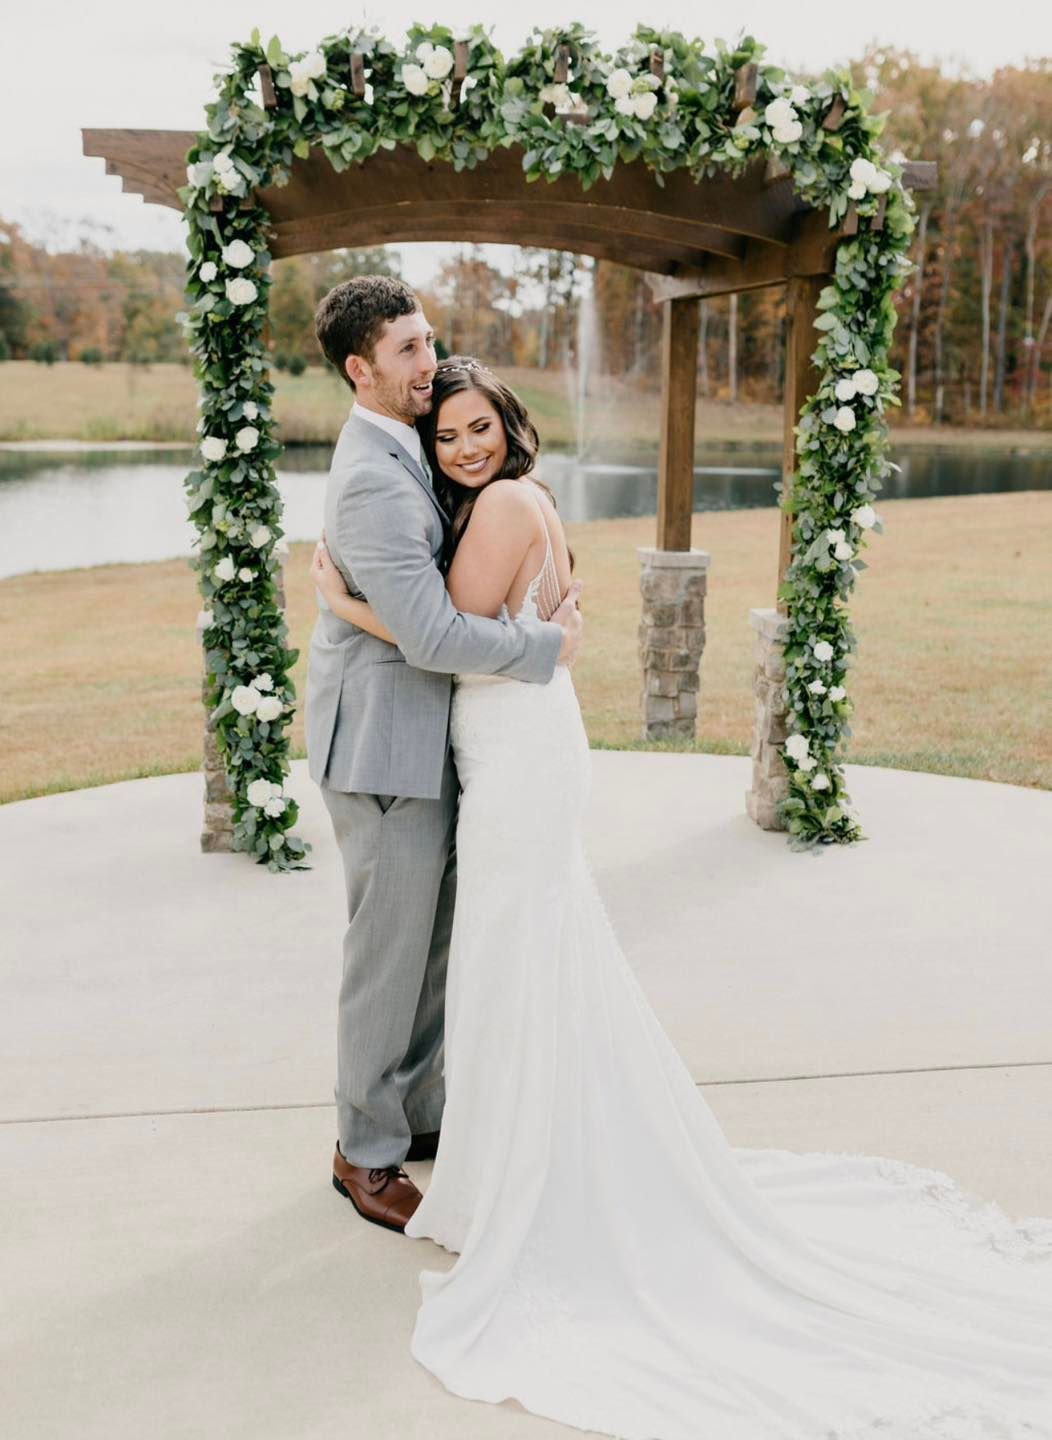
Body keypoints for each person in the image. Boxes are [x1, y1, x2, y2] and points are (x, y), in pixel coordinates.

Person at [311, 352, 1052, 1440]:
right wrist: (532, 636)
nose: (463, 446)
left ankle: (525, 1168)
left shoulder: (505, 503)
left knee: (514, 952)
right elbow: (491, 632)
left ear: (509, 425)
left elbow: (442, 638)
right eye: (447, 434)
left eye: (478, 427)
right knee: (517, 953)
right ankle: (505, 1147)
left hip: (515, 754)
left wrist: (346, 602)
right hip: (514, 743)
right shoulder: (513, 497)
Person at [305, 278, 583, 1237]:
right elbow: (430, 635)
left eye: (428, 341)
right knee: (388, 954)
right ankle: (363, 1151)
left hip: (440, 736)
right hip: (385, 745)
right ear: (361, 369)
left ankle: (415, 1111)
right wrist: (547, 647)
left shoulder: (409, 445)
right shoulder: (374, 476)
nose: (429, 362)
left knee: (427, 946)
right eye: (408, 350)